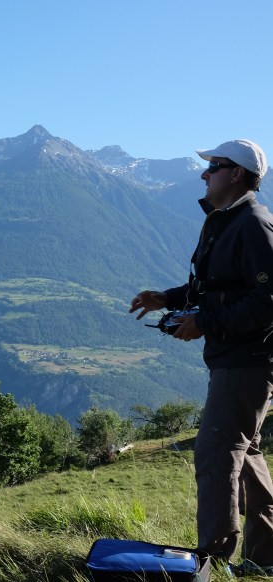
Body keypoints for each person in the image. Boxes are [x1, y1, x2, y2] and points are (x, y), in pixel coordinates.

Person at [130, 138, 273, 575]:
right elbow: (216, 287)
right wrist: (166, 298)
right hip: (236, 357)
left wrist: (205, 323)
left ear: (237, 174)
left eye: (214, 166)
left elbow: (268, 301)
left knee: (215, 452)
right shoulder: (225, 220)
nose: (204, 173)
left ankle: (211, 562)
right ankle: (265, 559)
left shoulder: (254, 225)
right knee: (245, 452)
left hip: (247, 361)